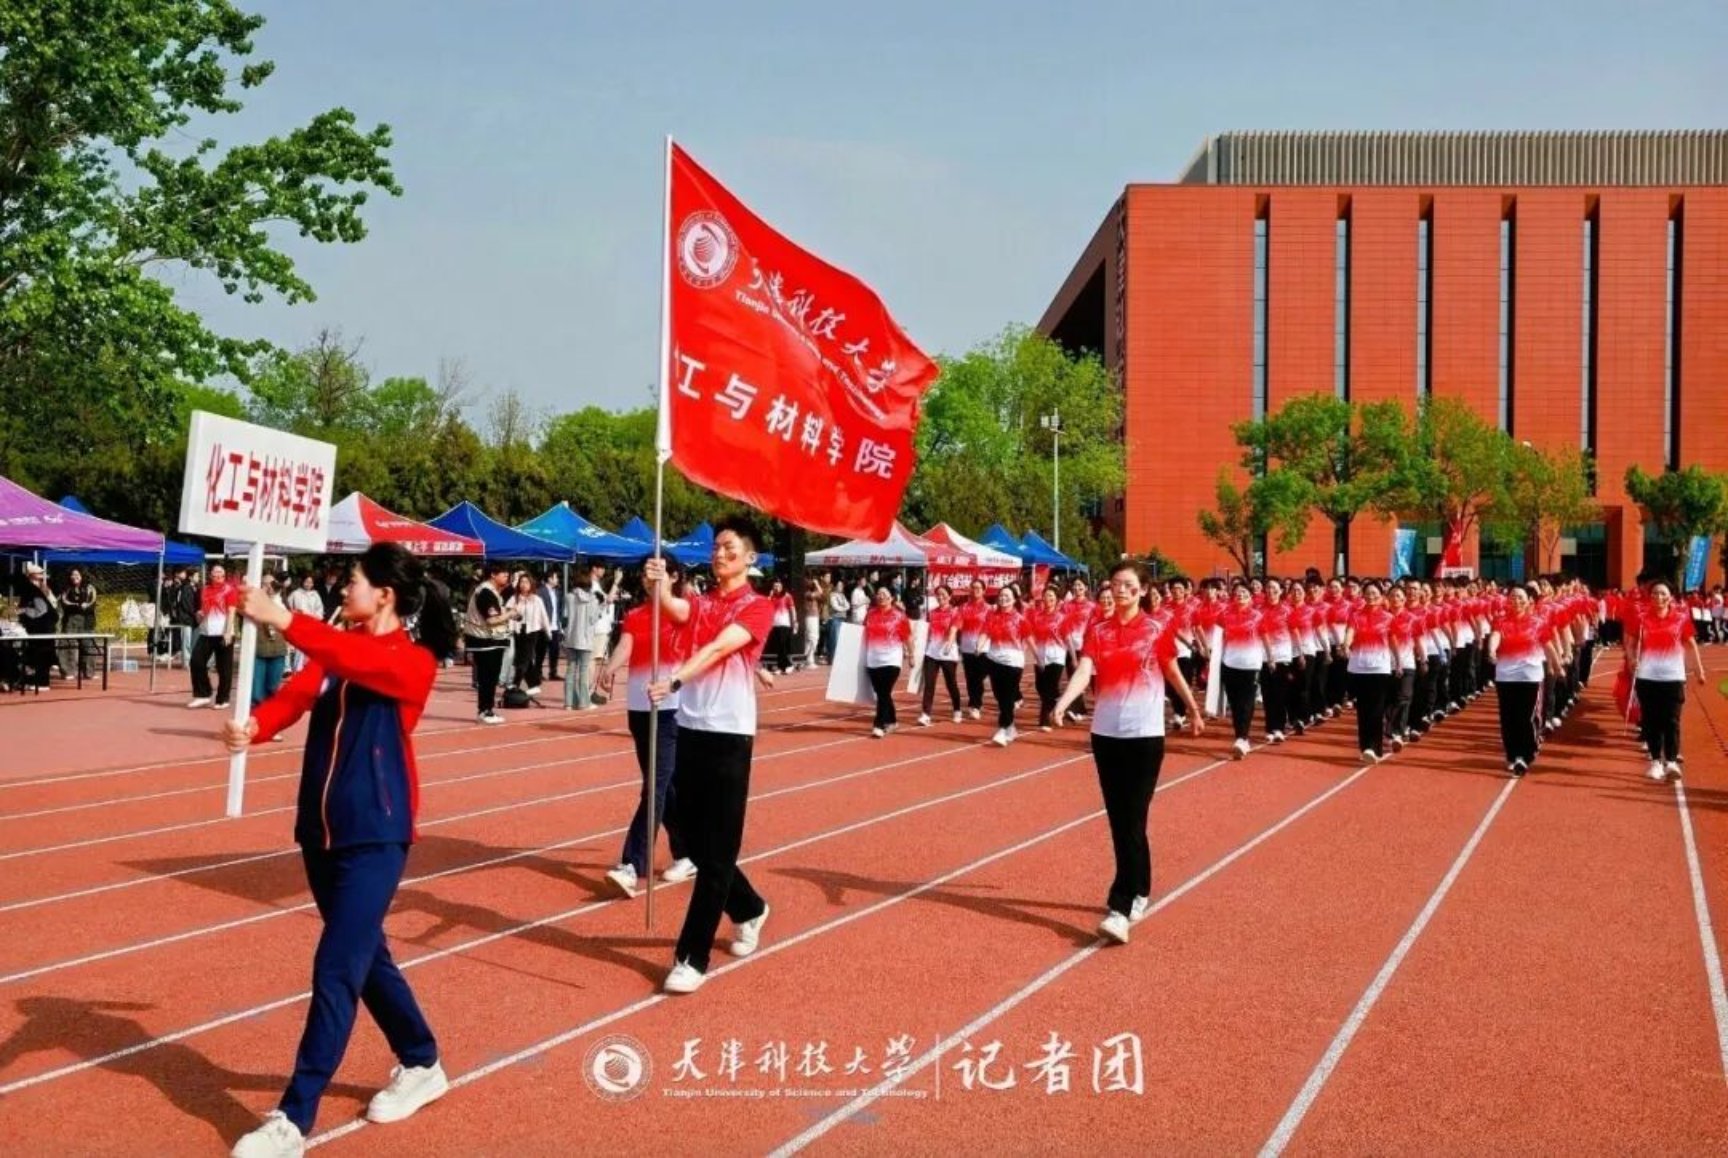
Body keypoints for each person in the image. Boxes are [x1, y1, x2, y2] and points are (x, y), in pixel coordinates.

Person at [224, 543, 455, 1157]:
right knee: (364, 957)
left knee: (336, 966)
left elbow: (354, 659)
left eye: (353, 580)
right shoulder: (333, 649)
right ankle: (422, 1060)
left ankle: (293, 1118)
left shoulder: (412, 661)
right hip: (320, 831)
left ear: (384, 594)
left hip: (377, 833)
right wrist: (255, 725)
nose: (343, 587)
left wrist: (282, 617)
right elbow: (297, 694)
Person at [645, 517, 774, 995]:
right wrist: (658, 585)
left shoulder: (759, 606)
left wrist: (676, 679)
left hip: (729, 734)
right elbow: (676, 609)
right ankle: (750, 907)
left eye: (729, 548)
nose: (719, 554)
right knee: (696, 844)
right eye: (716, 547)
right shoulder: (703, 602)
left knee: (718, 852)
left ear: (749, 558)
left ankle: (691, 957)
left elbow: (721, 647)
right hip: (691, 728)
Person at [1053, 561, 1203, 945]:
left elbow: (1172, 671)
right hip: (1105, 734)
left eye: (1128, 584)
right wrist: (1064, 701)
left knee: (1132, 817)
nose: (1119, 589)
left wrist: (1193, 708)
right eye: (1115, 583)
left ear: (1142, 591)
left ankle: (1119, 906)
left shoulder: (1156, 629)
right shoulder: (1098, 631)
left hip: (1145, 735)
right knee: (1121, 819)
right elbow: (1084, 670)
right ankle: (1140, 887)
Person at [597, 570, 697, 897]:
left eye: (657, 571)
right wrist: (609, 668)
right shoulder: (636, 615)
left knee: (655, 786)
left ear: (674, 576)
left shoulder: (683, 612)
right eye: (644, 573)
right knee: (664, 787)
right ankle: (687, 852)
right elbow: (626, 645)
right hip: (639, 708)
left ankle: (631, 864)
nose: (648, 577)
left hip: (670, 709)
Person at [1628, 580, 1707, 782]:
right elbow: (1631, 642)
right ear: (1650, 596)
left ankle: (1671, 761)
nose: (1659, 597)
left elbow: (1691, 644)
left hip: (1673, 677)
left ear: (1670, 597)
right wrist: (1632, 658)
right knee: (1651, 720)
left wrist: (1699, 670)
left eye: (1663, 593)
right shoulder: (1642, 618)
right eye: (1655, 593)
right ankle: (1656, 761)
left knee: (1672, 720)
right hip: (1647, 677)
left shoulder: (1681, 619)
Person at [1486, 585, 1558, 777]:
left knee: (1526, 716)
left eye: (1520, 597)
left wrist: (1557, 665)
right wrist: (1491, 650)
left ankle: (1526, 754)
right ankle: (1512, 755)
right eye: (1512, 597)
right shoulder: (1500, 620)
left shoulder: (1538, 622)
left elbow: (1548, 645)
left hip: (1530, 675)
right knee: (1508, 718)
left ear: (1528, 601)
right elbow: (1495, 636)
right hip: (1505, 675)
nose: (1516, 601)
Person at [1344, 580, 1397, 763]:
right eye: (1368, 593)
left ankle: (1374, 747)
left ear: (1381, 596)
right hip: (1359, 667)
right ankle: (1365, 747)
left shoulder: (1388, 617)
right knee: (1363, 710)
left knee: (1377, 709)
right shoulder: (1356, 615)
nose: (1371, 597)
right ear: (1363, 595)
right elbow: (1350, 633)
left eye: (1375, 593)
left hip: (1380, 668)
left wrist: (1397, 662)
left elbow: (1393, 641)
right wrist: (1345, 645)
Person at [1217, 580, 1270, 760]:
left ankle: (1242, 738)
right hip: (1230, 663)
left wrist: (1270, 657)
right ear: (1233, 597)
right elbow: (1218, 639)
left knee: (1246, 702)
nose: (1241, 596)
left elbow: (1265, 636)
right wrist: (1215, 660)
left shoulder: (1257, 616)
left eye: (1244, 594)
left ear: (1250, 598)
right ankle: (1240, 735)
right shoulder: (1224, 615)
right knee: (1235, 703)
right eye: (1238, 594)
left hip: (1251, 664)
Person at [979, 585, 1030, 747]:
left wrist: (1036, 656)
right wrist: (979, 646)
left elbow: (1028, 638)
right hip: (994, 659)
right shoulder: (992, 617)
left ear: (1014, 600)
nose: (1003, 598)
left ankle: (1002, 729)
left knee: (1008, 695)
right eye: (1001, 595)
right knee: (999, 695)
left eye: (1007, 596)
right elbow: (985, 633)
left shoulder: (1020, 619)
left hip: (1013, 662)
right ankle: (1010, 726)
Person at [463, 562, 511, 724]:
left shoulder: (492, 592)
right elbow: (491, 620)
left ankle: (487, 709)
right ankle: (485, 710)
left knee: (491, 677)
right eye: (503, 574)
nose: (506, 577)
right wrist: (511, 613)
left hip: (491, 640)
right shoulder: (485, 592)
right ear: (493, 575)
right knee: (487, 678)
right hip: (484, 641)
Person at [861, 586, 911, 738]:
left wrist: (912, 655)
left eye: (884, 593)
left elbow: (907, 636)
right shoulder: (870, 614)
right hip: (873, 659)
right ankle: (892, 721)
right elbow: (862, 633)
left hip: (892, 659)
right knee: (882, 693)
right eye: (879, 593)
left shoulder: (899, 616)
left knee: (884, 692)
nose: (881, 596)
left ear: (891, 598)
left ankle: (878, 724)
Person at [189, 565, 238, 709]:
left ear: (224, 575)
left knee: (224, 668)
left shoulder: (229, 590)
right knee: (196, 661)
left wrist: (227, 632)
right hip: (206, 632)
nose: (218, 574)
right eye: (215, 571)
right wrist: (199, 615)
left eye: (221, 572)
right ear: (210, 575)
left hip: (223, 633)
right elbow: (201, 611)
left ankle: (223, 699)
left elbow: (231, 611)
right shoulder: (204, 590)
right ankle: (203, 694)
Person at [918, 583, 963, 726]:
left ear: (950, 596)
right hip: (931, 653)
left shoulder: (955, 612)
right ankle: (925, 714)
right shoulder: (931, 613)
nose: (940, 597)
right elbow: (924, 632)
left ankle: (957, 709)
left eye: (943, 594)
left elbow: (953, 630)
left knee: (951, 683)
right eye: (938, 594)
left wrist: (949, 644)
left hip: (948, 654)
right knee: (929, 684)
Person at [1027, 585, 1069, 730]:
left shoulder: (1062, 618)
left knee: (1049, 688)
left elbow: (1067, 637)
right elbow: (1030, 635)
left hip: (1056, 655)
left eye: (1051, 596)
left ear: (1057, 599)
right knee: (1040, 686)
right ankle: (1058, 700)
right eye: (1046, 595)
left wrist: (1074, 657)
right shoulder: (1037, 616)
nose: (1048, 598)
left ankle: (1044, 720)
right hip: (1040, 654)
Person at [506, 573, 549, 696]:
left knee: (523, 659)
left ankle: (515, 683)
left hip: (532, 631)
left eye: (526, 582)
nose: (523, 585)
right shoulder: (514, 598)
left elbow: (544, 616)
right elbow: (507, 612)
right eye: (521, 582)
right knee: (525, 658)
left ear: (531, 584)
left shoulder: (536, 599)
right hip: (518, 631)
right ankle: (534, 684)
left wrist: (548, 631)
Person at [252, 575, 290, 717]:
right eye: (265, 584)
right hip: (259, 649)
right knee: (257, 691)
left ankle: (269, 717)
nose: (269, 587)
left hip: (278, 649)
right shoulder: (255, 602)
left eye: (271, 584)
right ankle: (257, 717)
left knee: (273, 687)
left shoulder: (282, 601)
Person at [957, 579, 991, 721]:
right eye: (973, 587)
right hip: (967, 648)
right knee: (971, 678)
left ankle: (976, 703)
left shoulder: (989, 609)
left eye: (978, 588)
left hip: (984, 648)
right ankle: (974, 704)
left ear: (984, 590)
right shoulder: (964, 607)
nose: (975, 590)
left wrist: (981, 644)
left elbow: (990, 627)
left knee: (979, 676)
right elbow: (958, 625)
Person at [58, 567, 98, 680]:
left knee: (88, 646)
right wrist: (77, 605)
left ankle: (89, 672)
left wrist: (84, 606)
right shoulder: (66, 589)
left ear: (82, 576)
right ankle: (68, 672)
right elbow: (65, 603)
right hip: (70, 620)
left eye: (77, 575)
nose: (74, 577)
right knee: (67, 645)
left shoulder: (90, 588)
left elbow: (92, 603)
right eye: (72, 575)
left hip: (87, 621)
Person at [285, 575, 327, 674]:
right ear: (303, 582)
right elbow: (288, 607)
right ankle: (296, 670)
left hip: (311, 624)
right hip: (299, 624)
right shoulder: (295, 594)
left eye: (310, 582)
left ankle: (306, 670)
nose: (308, 584)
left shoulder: (315, 595)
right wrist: (295, 613)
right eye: (306, 582)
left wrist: (315, 617)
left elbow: (320, 610)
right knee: (299, 648)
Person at [539, 570, 566, 681]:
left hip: (555, 626)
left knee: (555, 651)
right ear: (549, 579)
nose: (557, 580)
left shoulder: (557, 592)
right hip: (543, 626)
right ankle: (538, 673)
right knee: (540, 651)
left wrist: (560, 625)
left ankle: (553, 672)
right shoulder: (540, 592)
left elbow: (558, 609)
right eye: (556, 577)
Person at [766, 578, 796, 674]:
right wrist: (769, 596)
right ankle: (780, 666)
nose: (776, 588)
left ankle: (789, 665)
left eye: (778, 586)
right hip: (775, 624)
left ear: (782, 586)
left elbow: (792, 609)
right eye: (775, 586)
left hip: (785, 624)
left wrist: (795, 621)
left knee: (783, 646)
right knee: (778, 647)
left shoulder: (787, 596)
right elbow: (766, 607)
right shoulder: (772, 597)